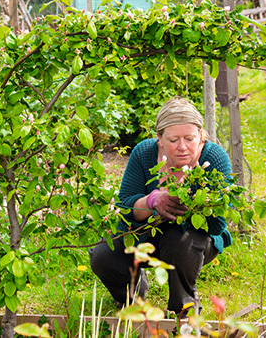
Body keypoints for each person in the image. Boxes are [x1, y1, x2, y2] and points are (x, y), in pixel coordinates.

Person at [89, 97, 232, 316]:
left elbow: (217, 225)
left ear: (201, 137)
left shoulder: (213, 158)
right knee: (102, 256)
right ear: (160, 139)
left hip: (193, 239)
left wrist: (194, 202)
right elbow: (124, 209)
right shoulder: (144, 153)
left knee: (179, 240)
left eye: (190, 139)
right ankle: (134, 298)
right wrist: (151, 201)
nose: (182, 147)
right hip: (146, 232)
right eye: (173, 140)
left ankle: (183, 307)